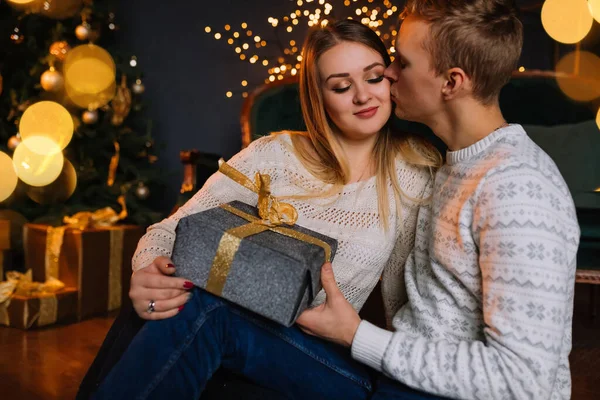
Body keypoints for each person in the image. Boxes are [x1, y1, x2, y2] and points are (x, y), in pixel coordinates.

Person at [90, 19, 440, 399]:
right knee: (159, 307)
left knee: (203, 307)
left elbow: (406, 311)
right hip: (238, 333)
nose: (362, 96)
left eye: (373, 78)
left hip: (322, 355)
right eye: (341, 86)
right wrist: (148, 271)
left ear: (390, 78)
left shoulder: (414, 174)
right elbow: (168, 231)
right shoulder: (273, 154)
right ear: (318, 97)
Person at [296, 1, 580, 399]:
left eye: (402, 62)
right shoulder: (452, 165)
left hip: (421, 387)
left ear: (452, 82)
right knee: (221, 323)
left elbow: (522, 381)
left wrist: (357, 336)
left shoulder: (519, 189)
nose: (388, 72)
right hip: (398, 376)